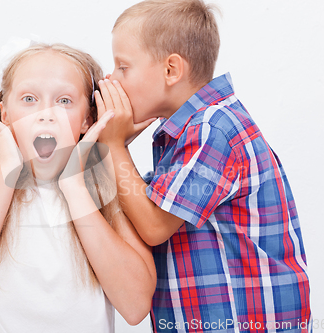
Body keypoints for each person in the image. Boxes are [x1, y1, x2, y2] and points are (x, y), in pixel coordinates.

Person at [95, 0, 312, 332]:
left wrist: (112, 146)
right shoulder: (188, 132)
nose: (112, 78)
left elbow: (153, 226)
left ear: (171, 70)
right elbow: (144, 206)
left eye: (123, 66)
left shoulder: (213, 128)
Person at [0, 42, 156, 333]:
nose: (46, 113)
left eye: (64, 101)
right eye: (28, 98)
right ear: (6, 114)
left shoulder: (105, 176)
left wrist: (74, 186)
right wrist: (7, 171)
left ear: (87, 119)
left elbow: (136, 306)